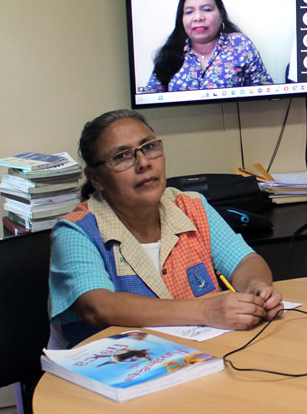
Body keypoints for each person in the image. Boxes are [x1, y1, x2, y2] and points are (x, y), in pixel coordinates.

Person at [49, 109, 283, 350]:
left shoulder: (191, 206)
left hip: (192, 357)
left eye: (149, 147)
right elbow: (99, 307)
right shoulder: (75, 230)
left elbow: (245, 261)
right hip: (112, 367)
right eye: (121, 156)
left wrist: (257, 287)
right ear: (95, 178)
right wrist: (205, 310)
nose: (143, 163)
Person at [145, 0, 272, 92]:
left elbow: (265, 88)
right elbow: (150, 96)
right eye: (189, 12)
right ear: (181, 19)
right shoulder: (170, 52)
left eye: (206, 10)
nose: (198, 17)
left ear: (220, 14)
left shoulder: (239, 44)